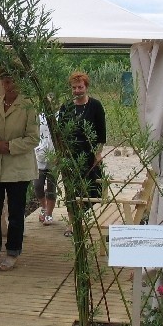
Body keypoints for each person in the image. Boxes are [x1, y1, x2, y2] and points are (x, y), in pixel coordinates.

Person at [0, 69, 39, 271]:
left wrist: (10, 146)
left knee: (15, 212)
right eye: (4, 81)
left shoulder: (28, 106)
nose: (7, 84)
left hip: (18, 168)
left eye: (11, 81)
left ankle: (13, 252)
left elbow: (33, 138)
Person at [58, 71, 106, 233]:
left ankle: (90, 223)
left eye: (80, 87)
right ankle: (72, 224)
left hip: (90, 156)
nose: (77, 90)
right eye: (74, 87)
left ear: (86, 87)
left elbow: (101, 133)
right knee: (72, 190)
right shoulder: (66, 106)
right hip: (71, 156)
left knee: (91, 190)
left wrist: (98, 154)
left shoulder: (95, 105)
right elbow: (60, 133)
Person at [34, 109, 57, 225]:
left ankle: (49, 213)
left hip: (54, 157)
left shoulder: (59, 117)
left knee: (51, 188)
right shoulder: (39, 117)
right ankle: (43, 207)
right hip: (40, 156)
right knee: (37, 185)